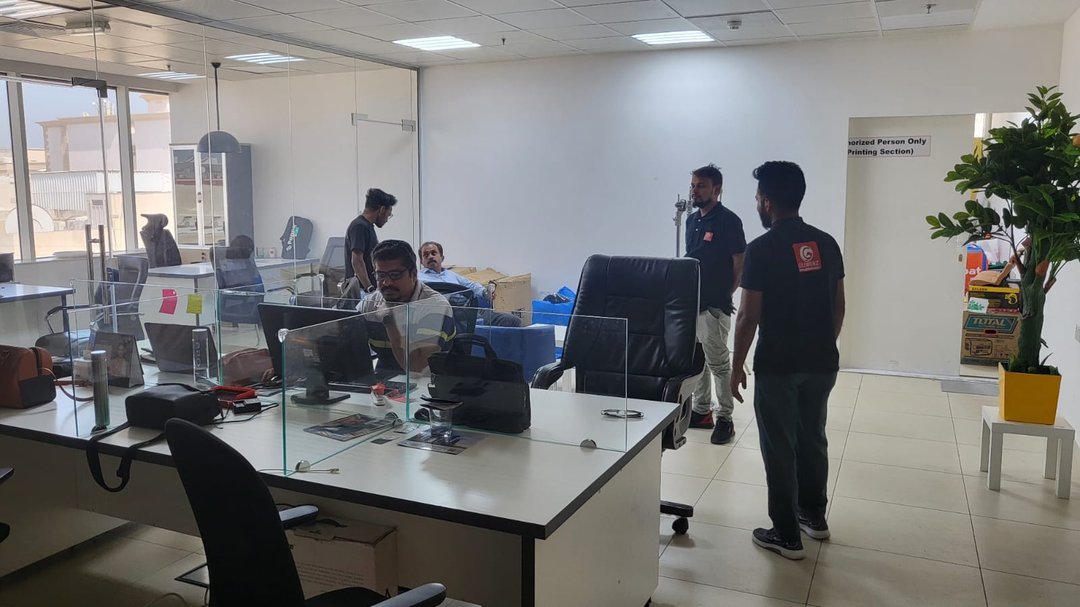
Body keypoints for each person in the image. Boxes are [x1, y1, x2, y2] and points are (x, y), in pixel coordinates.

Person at [729, 161, 845, 561]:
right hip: (822, 362)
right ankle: (814, 516)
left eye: (757, 198)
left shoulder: (762, 249)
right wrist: (820, 345)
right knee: (812, 436)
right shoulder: (826, 243)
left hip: (778, 364)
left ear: (767, 202)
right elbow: (839, 306)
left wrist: (736, 365)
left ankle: (786, 534)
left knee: (779, 445)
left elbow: (748, 316)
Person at [684, 163, 746, 445]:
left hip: (714, 306)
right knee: (699, 360)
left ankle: (725, 418)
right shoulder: (691, 221)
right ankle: (701, 410)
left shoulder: (728, 221)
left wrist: (725, 296)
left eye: (701, 186)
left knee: (719, 363)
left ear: (717, 189)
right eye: (693, 185)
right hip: (692, 301)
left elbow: (739, 263)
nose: (695, 191)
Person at [359, 240, 456, 374]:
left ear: (414, 274)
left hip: (431, 382)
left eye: (395, 275)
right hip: (385, 379)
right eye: (380, 275)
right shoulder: (371, 302)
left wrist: (389, 320)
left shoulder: (435, 305)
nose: (386, 282)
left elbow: (417, 369)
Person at [344, 188, 397, 298]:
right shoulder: (359, 226)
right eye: (388, 214)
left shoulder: (367, 226)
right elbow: (357, 261)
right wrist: (369, 288)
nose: (387, 219)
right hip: (362, 291)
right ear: (382, 209)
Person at [417, 241, 487, 302]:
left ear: (442, 258)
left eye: (434, 253)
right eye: (426, 255)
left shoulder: (452, 275)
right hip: (433, 311)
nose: (430, 257)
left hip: (462, 310)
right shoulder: (417, 279)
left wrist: (486, 292)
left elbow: (472, 285)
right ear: (421, 262)